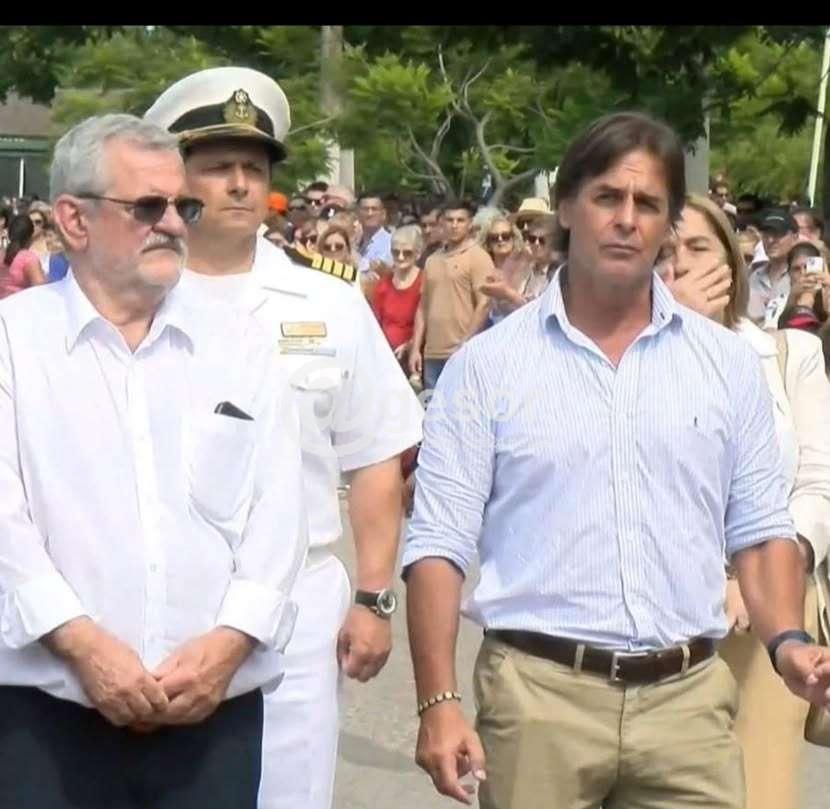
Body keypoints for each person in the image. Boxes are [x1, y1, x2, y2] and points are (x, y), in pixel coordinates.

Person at [402, 111, 830, 809]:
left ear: (667, 225)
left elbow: (758, 531)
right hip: (538, 700)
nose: (627, 219)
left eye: (648, 203)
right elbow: (438, 545)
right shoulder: (488, 367)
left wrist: (787, 639)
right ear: (568, 207)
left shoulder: (726, 365)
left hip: (688, 704)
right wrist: (438, 701)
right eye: (608, 197)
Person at [0, 113, 308, 809]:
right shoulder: (14, 343)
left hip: (212, 715)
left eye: (183, 206)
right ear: (73, 220)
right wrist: (83, 646)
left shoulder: (241, 344)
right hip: (46, 721)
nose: (172, 223)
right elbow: (5, 527)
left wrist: (231, 643)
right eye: (147, 206)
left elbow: (279, 514)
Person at [145, 66, 423, 809]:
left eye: (254, 166)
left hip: (296, 604)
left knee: (287, 792)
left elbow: (374, 455)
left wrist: (373, 596)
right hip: (160, 595)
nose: (240, 183)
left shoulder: (328, 299)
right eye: (217, 166)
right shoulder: (137, 290)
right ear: (175, 177)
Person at [660, 192, 830, 809]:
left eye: (697, 248)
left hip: (772, 612)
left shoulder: (788, 354)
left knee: (759, 791)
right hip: (665, 610)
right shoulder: (630, 361)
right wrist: (677, 334)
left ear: (731, 262)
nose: (680, 264)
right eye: (665, 252)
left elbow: (817, 482)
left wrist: (769, 571)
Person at [408, 199, 494, 390]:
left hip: (463, 352)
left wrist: (465, 344)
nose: (454, 225)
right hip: (432, 353)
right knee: (432, 405)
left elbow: (484, 304)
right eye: (449, 220)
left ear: (470, 223)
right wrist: (416, 349)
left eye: (460, 220)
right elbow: (423, 307)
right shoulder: (432, 260)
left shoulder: (478, 257)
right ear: (442, 223)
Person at [371, 224, 423, 362]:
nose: (400, 257)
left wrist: (410, 345)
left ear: (418, 254)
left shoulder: (424, 282)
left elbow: (429, 324)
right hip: (385, 356)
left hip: (415, 356)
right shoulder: (383, 285)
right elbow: (375, 324)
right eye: (395, 252)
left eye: (407, 253)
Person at [748, 208, 799, 327]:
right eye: (766, 235)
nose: (770, 240)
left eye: (778, 234)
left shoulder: (799, 274)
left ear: (795, 237)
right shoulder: (754, 277)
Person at [477, 216, 531, 325]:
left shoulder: (527, 266)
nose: (500, 240)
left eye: (505, 236)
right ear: (488, 243)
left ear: (513, 238)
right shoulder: (482, 268)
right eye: (494, 238)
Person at [775, 241, 830, 335]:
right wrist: (792, 300)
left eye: (807, 267)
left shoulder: (827, 295)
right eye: (797, 269)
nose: (803, 273)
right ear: (789, 273)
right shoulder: (778, 303)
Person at [0, 213, 47, 298]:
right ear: (31, 235)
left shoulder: (1, 253)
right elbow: (41, 290)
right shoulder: (28, 258)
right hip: (22, 304)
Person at [356, 192, 393, 276]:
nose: (370, 213)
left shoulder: (391, 243)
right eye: (365, 209)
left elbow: (377, 270)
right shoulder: (354, 241)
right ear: (358, 213)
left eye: (374, 209)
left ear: (383, 214)